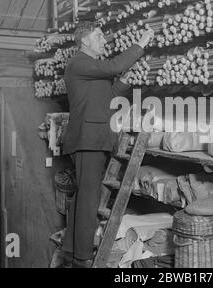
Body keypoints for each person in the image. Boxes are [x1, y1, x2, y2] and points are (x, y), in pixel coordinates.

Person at [60, 21, 153, 268]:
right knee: (89, 200)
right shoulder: (79, 62)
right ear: (85, 41)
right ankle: (82, 257)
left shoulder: (89, 68)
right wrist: (140, 45)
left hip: (94, 138)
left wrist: (125, 81)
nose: (105, 40)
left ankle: (71, 250)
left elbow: (108, 97)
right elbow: (115, 65)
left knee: (84, 197)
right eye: (99, 36)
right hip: (88, 140)